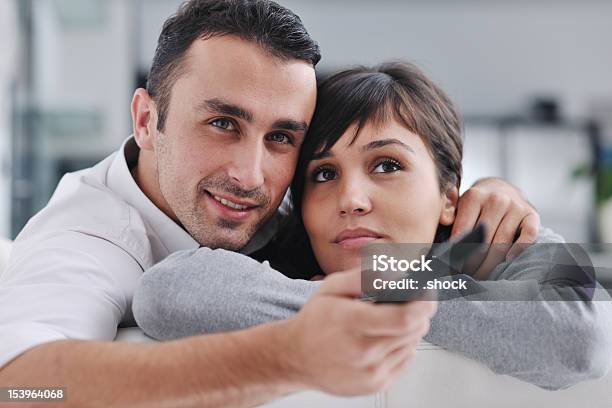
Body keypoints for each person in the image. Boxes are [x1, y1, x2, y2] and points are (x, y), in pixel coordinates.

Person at [0, 1, 541, 406]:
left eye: (282, 137)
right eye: (221, 123)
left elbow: (576, 296)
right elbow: (19, 388)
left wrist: (491, 196)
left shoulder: (287, 205)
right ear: (146, 120)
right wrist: (283, 355)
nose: (250, 175)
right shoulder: (88, 240)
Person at [134, 62, 612, 391]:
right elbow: (167, 294)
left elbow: (580, 334)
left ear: (450, 196)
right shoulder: (275, 261)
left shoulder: (484, 246)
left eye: (386, 165)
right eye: (323, 174)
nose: (352, 200)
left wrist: (377, 285)